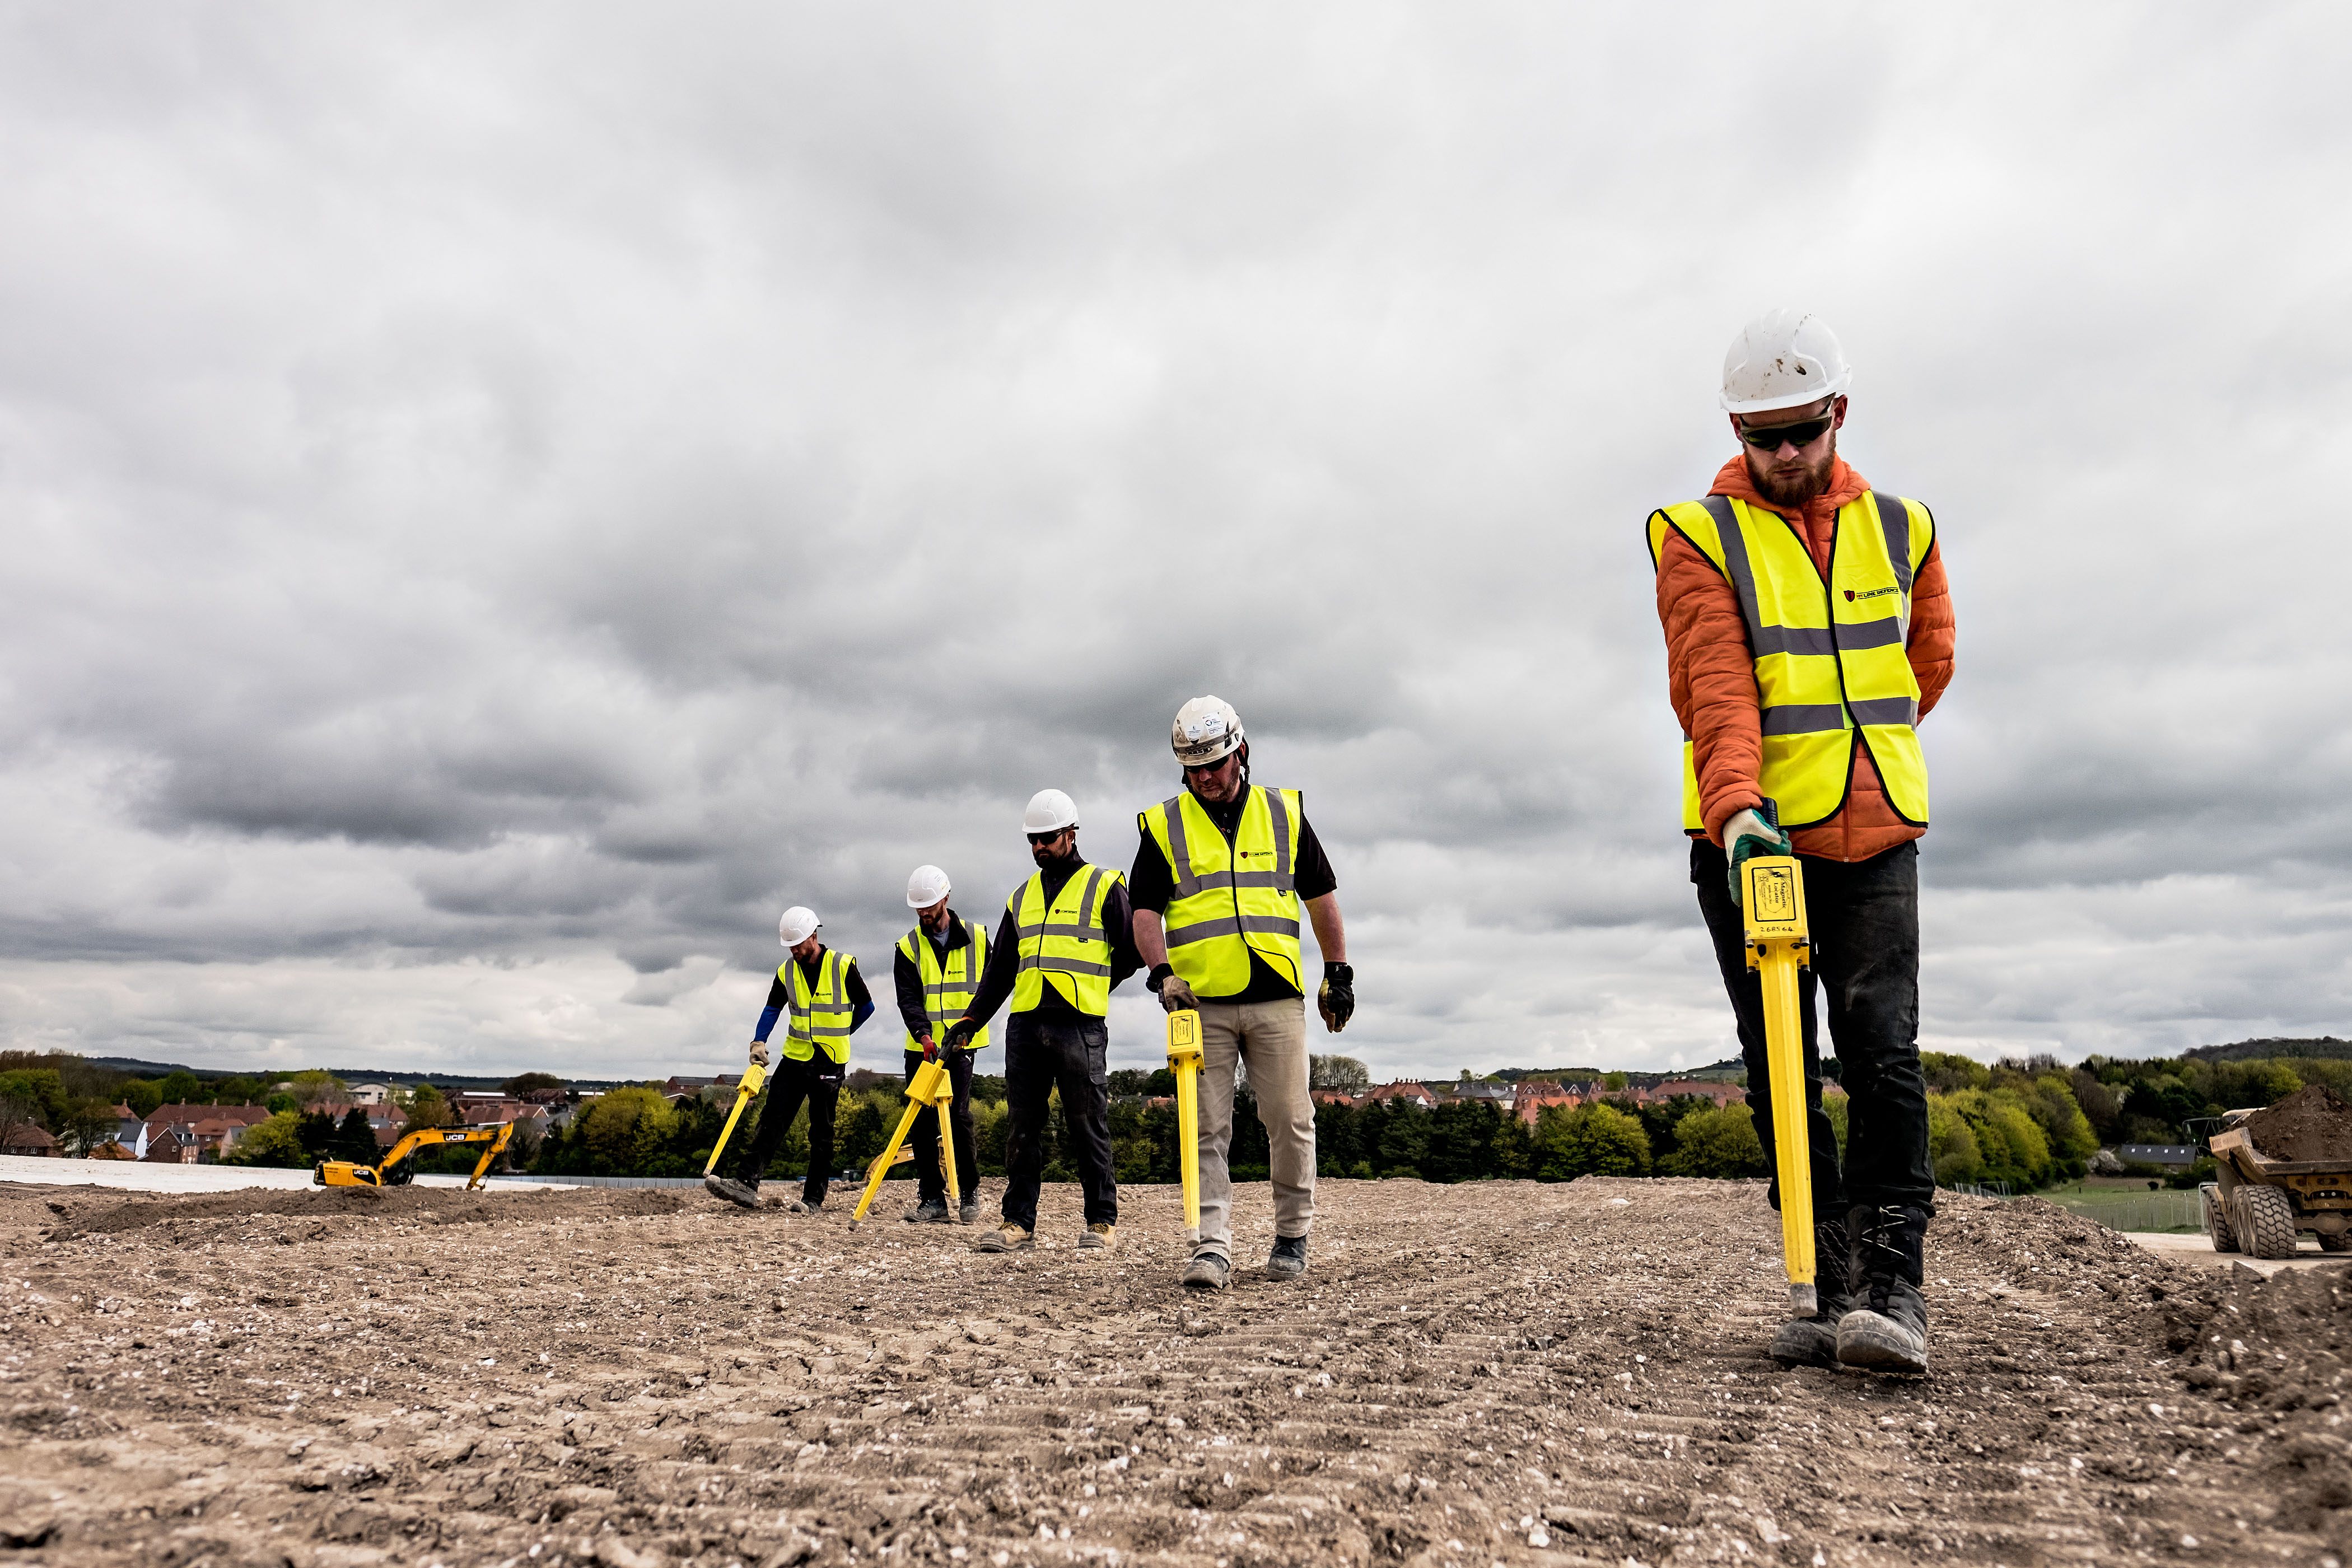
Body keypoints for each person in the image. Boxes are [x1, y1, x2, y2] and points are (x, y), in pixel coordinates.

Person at [1645, 309, 1956, 1374]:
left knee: (1885, 1057)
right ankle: (1821, 1286)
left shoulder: (1905, 527)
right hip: (1753, 844)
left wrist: (1866, 760)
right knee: (1782, 1066)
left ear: (1839, 415)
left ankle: (1893, 1290)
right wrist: (1736, 810)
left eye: (1802, 432)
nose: (1782, 455)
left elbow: (1926, 663)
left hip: (1874, 838)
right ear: (1736, 430)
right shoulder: (1697, 535)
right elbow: (1713, 686)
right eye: (1760, 436)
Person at [1130, 696, 1352, 1291]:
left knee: (1289, 1117)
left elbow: (1322, 897)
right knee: (1204, 1127)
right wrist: (1161, 974)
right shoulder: (1164, 826)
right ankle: (1210, 1248)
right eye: (1193, 768)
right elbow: (1144, 912)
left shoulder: (1284, 813)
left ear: (1241, 753)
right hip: (1198, 1002)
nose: (1206, 777)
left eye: (1216, 763)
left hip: (1277, 994)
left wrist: (1338, 971)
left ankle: (1292, 1236)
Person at [943, 789, 1139, 1253]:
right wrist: (970, 1019)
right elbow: (1000, 972)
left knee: (1087, 1122)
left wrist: (1095, 987)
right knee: (1022, 1125)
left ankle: (1102, 1223)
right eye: (1033, 840)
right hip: (1026, 1026)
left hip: (1080, 1026)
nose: (1039, 848)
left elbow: (1132, 953)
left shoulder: (1105, 886)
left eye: (1047, 838)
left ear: (1071, 834)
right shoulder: (1021, 897)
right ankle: (1018, 1222)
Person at [704, 904, 874, 1214]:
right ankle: (746, 1184)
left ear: (814, 935)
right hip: (795, 1058)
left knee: (821, 1132)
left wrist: (844, 1031)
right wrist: (759, 1041)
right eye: (790, 946)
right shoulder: (786, 971)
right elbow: (772, 1009)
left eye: (799, 944)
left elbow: (866, 1007)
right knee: (771, 1120)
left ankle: (812, 1200)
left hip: (830, 1060)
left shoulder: (843, 966)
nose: (795, 950)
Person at [892, 863, 988, 1225]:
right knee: (921, 1121)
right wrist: (923, 1035)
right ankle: (932, 1199)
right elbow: (909, 999)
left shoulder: (979, 938)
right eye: (919, 907)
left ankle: (968, 1191)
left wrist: (970, 1026)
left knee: (959, 1116)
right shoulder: (908, 947)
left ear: (946, 897)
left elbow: (993, 986)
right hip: (923, 1046)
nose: (925, 913)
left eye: (930, 905)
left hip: (962, 1044)